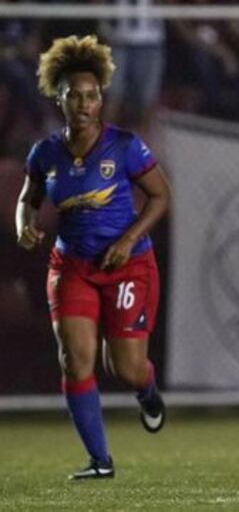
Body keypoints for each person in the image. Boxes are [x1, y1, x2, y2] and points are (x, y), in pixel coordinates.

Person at [14, 35, 171, 480]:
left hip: (128, 266)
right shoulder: (44, 152)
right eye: (74, 96)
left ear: (101, 99)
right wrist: (22, 223)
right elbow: (28, 198)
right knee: (75, 359)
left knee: (124, 366)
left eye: (92, 95)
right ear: (58, 98)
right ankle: (100, 461)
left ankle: (147, 388)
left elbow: (161, 197)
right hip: (72, 268)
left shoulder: (124, 146)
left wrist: (127, 240)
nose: (84, 104)